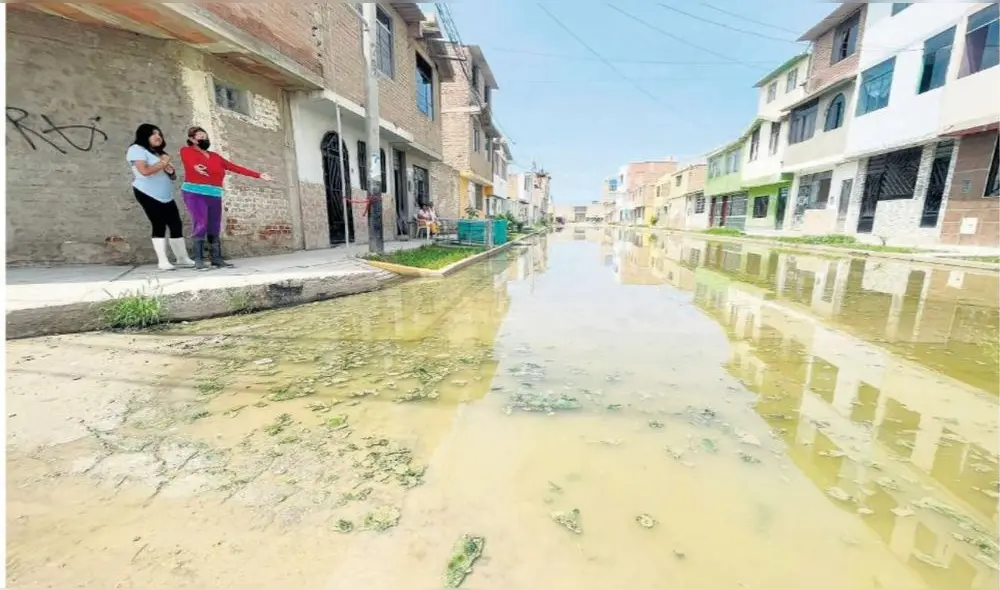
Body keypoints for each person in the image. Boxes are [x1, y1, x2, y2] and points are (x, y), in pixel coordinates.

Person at [179, 126, 272, 269]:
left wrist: (259, 175)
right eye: (201, 136)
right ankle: (198, 259)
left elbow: (234, 167)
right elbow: (189, 161)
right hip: (195, 193)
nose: (205, 139)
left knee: (214, 225)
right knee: (201, 223)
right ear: (192, 139)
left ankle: (216, 259)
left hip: (215, 194)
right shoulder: (187, 151)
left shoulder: (215, 156)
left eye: (206, 136)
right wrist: (195, 167)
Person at [126, 123, 195, 270]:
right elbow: (144, 171)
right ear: (145, 136)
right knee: (159, 225)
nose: (158, 136)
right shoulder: (136, 149)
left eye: (159, 134)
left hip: (165, 195)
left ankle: (182, 258)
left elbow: (172, 177)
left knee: (176, 224)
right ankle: (163, 261)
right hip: (147, 192)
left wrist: (170, 171)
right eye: (153, 134)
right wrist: (163, 162)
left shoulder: (158, 153)